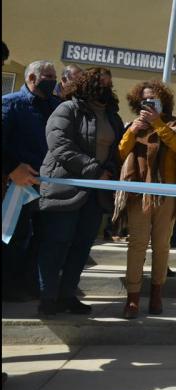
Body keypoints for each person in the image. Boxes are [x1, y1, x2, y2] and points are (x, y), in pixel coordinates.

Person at [36, 67, 123, 316]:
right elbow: (59, 144)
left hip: (95, 194)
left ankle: (67, 295)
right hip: (64, 187)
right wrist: (94, 169)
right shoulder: (68, 109)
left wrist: (109, 170)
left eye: (109, 83)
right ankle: (47, 297)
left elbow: (117, 150)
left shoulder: (112, 116)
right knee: (56, 243)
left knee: (82, 246)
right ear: (86, 84)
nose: (105, 87)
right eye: (100, 83)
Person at [116, 79, 176, 319]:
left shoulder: (175, 123)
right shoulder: (134, 126)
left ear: (163, 101)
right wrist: (133, 131)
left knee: (161, 246)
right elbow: (120, 152)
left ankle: (157, 295)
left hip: (166, 193)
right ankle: (133, 298)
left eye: (153, 99)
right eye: (144, 100)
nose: (148, 103)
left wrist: (157, 122)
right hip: (139, 193)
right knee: (137, 244)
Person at [2, 60, 60, 302]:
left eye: (54, 76)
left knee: (44, 237)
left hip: (48, 185)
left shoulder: (57, 107)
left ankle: (31, 284)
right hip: (18, 184)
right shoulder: (11, 104)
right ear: (32, 78)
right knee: (15, 237)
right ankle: (8, 286)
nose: (52, 81)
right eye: (47, 76)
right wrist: (12, 168)